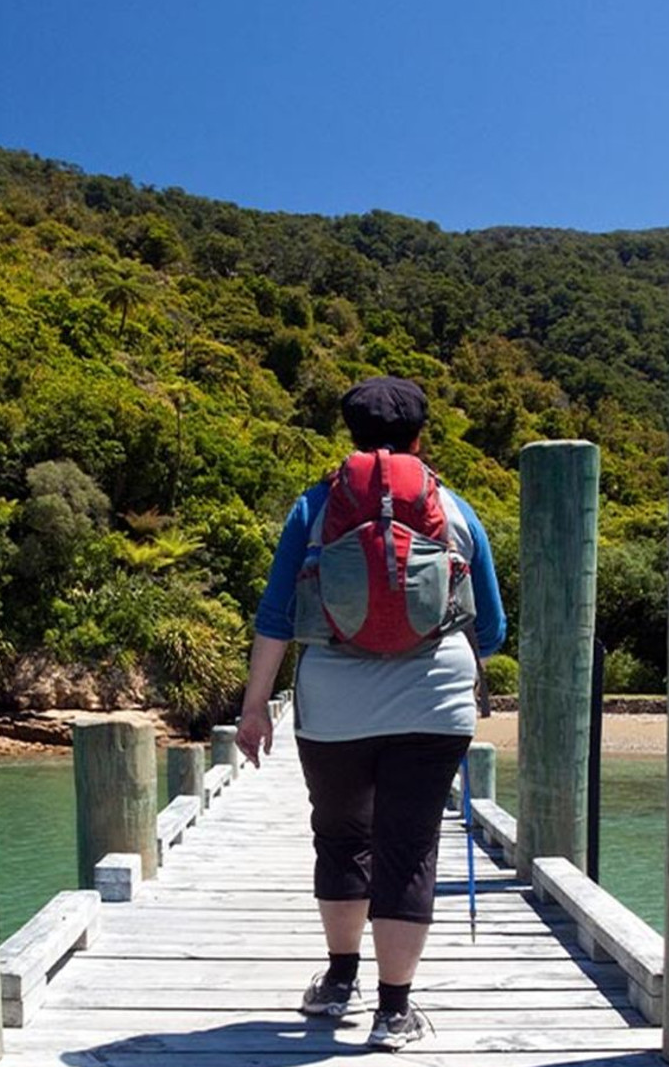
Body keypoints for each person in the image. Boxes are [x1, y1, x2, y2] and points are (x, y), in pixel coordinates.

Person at [235, 375, 506, 1051]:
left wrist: (255, 710)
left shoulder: (315, 508)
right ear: (420, 436)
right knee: (408, 850)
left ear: (350, 435)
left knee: (342, 838)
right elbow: (492, 627)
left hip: (333, 709)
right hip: (433, 705)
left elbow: (274, 617)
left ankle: (336, 981)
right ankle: (393, 1013)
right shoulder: (454, 509)